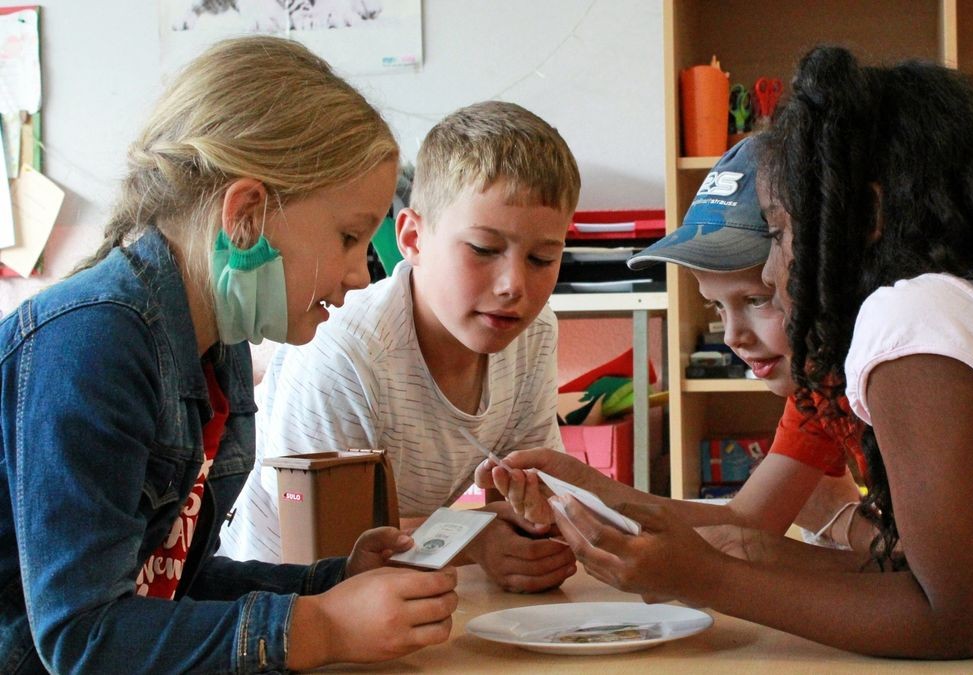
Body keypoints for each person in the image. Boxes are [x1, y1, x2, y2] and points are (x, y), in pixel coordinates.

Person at [489, 46, 973, 673]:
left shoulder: (908, 318)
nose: (770, 268)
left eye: (778, 231)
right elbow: (957, 581)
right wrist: (595, 492)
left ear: (864, 217)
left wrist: (707, 576)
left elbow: (960, 617)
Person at [0, 37, 459, 672]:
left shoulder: (220, 347)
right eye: (350, 236)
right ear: (244, 214)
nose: (362, 272)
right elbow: (83, 639)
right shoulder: (94, 342)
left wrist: (328, 585)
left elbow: (165, 588)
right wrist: (319, 628)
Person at [221, 100, 580, 593]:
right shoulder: (346, 350)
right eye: (482, 249)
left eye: (542, 258)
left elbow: (519, 493)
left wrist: (535, 525)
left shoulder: (533, 332)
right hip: (281, 602)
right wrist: (471, 539)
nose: (513, 285)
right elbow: (324, 546)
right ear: (412, 237)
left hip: (414, 589)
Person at [480, 135, 870, 550]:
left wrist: (845, 521)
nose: (734, 336)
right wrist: (583, 485)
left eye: (758, 299)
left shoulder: (896, 377)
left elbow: (931, 571)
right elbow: (747, 520)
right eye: (717, 307)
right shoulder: (817, 392)